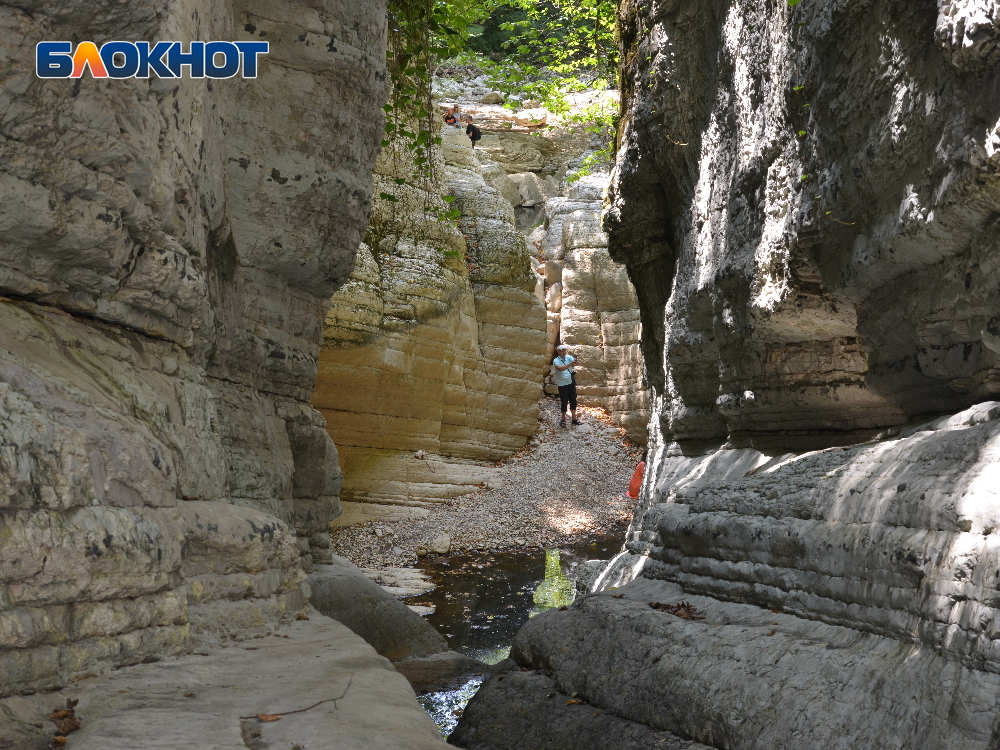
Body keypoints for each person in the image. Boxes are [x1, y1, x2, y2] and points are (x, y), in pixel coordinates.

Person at [552, 343, 580, 428]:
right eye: (561, 351)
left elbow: (576, 364)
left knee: (573, 400)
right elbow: (560, 368)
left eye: (564, 350)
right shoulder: (556, 360)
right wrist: (569, 364)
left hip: (571, 382)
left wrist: (576, 362)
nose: (563, 352)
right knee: (564, 401)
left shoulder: (569, 358)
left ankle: (574, 419)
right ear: (558, 352)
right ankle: (563, 419)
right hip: (562, 384)